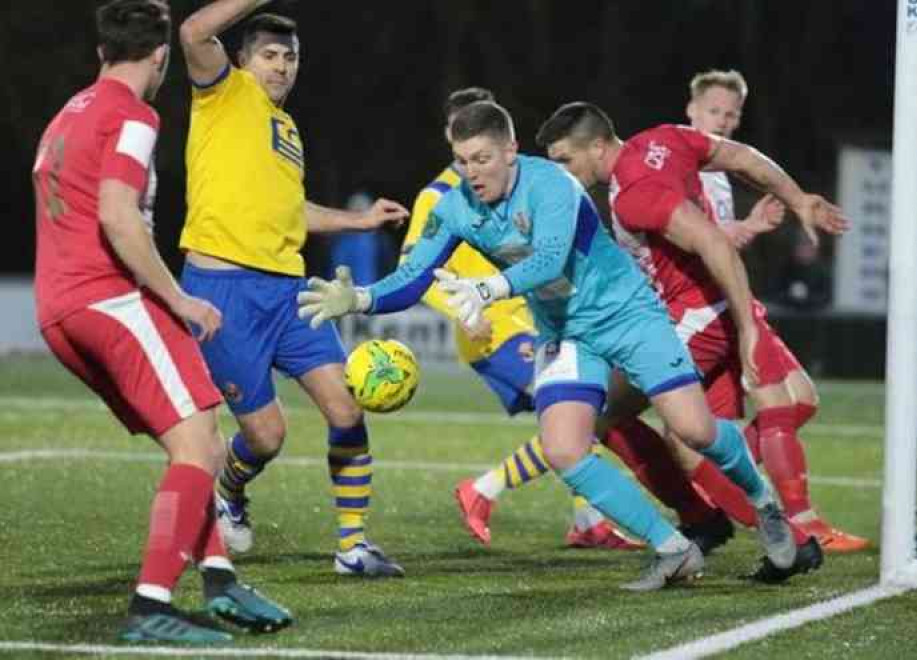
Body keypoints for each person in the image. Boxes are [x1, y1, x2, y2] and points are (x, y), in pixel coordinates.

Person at [299, 100, 800, 591]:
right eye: (463, 160)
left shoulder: (551, 184)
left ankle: (765, 504)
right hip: (564, 333)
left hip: (628, 315)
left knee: (694, 429)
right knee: (564, 450)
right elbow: (413, 277)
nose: (472, 173)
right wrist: (361, 297)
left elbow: (550, 260)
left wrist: (486, 289)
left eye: (483, 159)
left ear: (510, 151)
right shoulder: (455, 208)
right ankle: (673, 549)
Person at [32, 0, 291, 643]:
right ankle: (151, 604)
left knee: (190, 445)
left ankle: (220, 576)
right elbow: (118, 215)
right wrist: (179, 300)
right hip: (108, 299)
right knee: (201, 441)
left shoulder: (69, 112)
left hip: (58, 308)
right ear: (159, 58)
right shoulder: (134, 114)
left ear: (101, 54)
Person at [535, 94, 864, 572]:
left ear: (598, 145)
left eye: (565, 160)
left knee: (611, 418)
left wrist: (748, 328)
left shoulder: (635, 192)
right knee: (707, 435)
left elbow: (711, 241)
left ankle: (742, 528)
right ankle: (748, 529)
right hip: (714, 308)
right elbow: (742, 157)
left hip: (697, 315)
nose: (562, 173)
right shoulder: (661, 140)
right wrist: (799, 200)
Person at [177, 0, 409, 577]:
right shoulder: (222, 92)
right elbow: (190, 30)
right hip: (223, 290)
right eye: (270, 55)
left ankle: (352, 548)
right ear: (242, 60)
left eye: (290, 58)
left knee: (347, 405)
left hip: (289, 292)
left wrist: (358, 221)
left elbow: (290, 210)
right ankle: (229, 490)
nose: (282, 66)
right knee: (266, 435)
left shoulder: (286, 128)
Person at [407, 87, 638, 550]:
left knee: (579, 410)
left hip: (536, 319)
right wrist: (463, 312)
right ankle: (483, 490)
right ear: (450, 136)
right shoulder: (439, 198)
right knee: (577, 412)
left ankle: (587, 520)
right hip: (494, 330)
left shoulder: (515, 186)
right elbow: (415, 272)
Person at [684, 70, 865, 550]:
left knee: (799, 401)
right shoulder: (682, 168)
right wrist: (746, 229)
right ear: (691, 111)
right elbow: (695, 244)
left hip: (728, 300)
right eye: (714, 111)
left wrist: (749, 226)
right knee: (775, 406)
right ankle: (805, 523)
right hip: (705, 309)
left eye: (731, 114)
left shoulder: (717, 170)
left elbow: (716, 239)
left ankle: (717, 488)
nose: (722, 121)